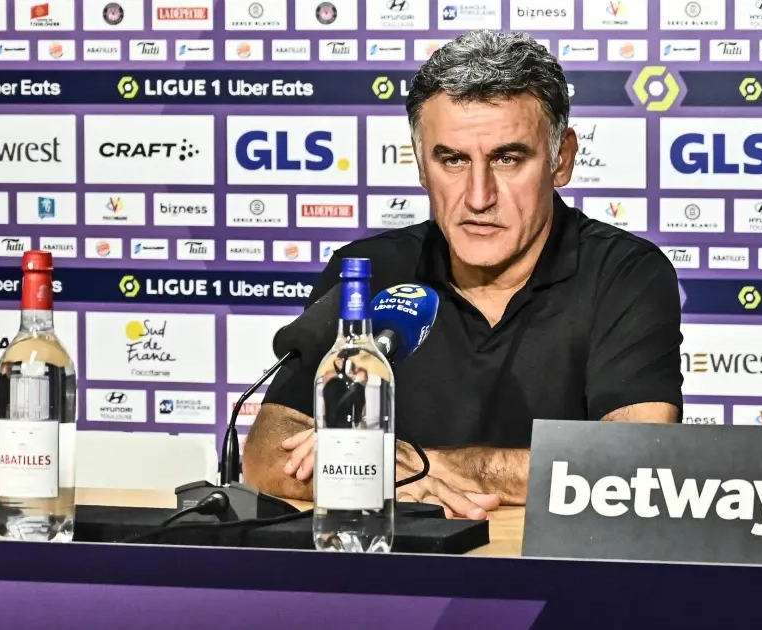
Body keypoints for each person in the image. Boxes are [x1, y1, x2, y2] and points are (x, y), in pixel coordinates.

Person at [243, 30, 684, 519]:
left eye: (507, 159)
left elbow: (635, 464)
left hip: (551, 565)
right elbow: (267, 451)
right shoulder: (368, 273)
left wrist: (421, 466)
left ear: (561, 159)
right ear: (421, 165)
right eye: (452, 160)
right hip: (395, 561)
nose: (478, 197)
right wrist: (367, 469)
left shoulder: (625, 274)